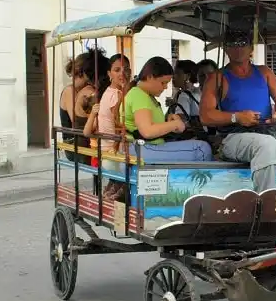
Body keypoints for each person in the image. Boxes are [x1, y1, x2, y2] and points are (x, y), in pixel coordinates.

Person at [199, 31, 276, 192]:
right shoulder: (215, 78)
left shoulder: (264, 72)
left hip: (269, 132)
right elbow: (205, 116)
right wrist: (236, 117)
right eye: (232, 45)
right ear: (225, 49)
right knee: (266, 144)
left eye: (242, 44)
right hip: (233, 137)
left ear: (251, 47)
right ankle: (265, 200)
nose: (238, 49)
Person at [123, 57, 212, 163]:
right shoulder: (139, 95)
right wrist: (174, 124)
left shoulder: (145, 95)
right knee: (202, 149)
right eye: (163, 83)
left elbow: (149, 124)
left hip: (147, 146)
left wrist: (168, 121)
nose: (165, 87)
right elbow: (147, 131)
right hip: (142, 148)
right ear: (150, 77)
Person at [83, 53, 131, 200]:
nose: (122, 73)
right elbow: (119, 125)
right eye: (117, 70)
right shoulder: (117, 95)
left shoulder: (107, 93)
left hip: (105, 154)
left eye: (126, 69)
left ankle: (112, 190)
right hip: (115, 154)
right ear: (109, 73)